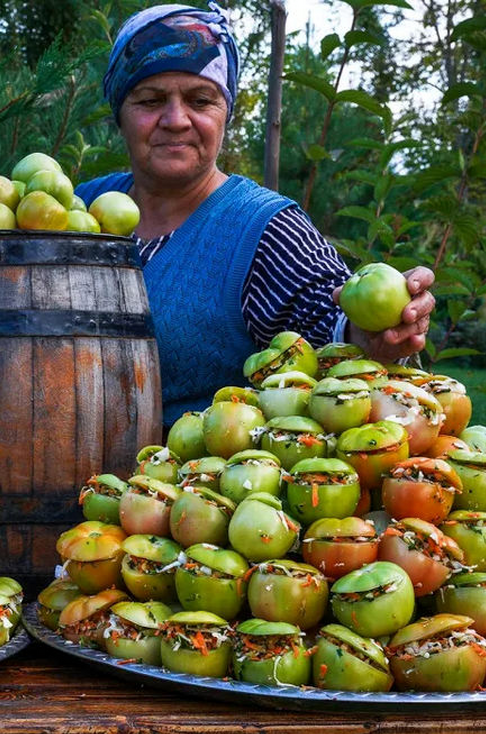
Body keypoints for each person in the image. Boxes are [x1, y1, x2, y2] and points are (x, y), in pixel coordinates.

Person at [75, 3, 435, 421]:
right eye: (150, 100)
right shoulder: (82, 209)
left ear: (225, 112)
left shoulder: (262, 227)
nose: (175, 120)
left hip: (193, 479)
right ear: (120, 113)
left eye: (200, 99)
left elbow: (331, 325)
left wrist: (377, 329)